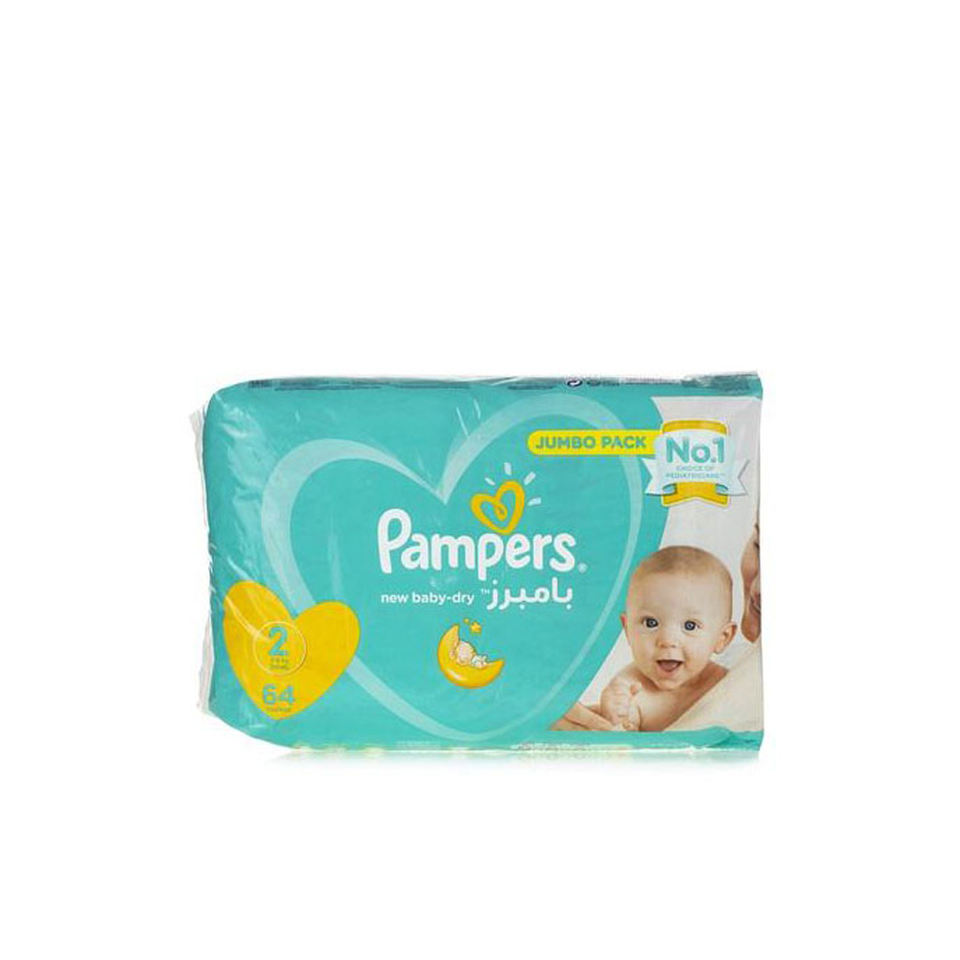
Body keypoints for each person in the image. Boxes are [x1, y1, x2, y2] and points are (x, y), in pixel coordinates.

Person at [597, 546, 737, 731]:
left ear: (722, 638)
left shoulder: (727, 684)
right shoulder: (629, 689)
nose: (667, 640)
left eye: (690, 626)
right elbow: (623, 742)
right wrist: (615, 718)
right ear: (628, 629)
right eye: (651, 623)